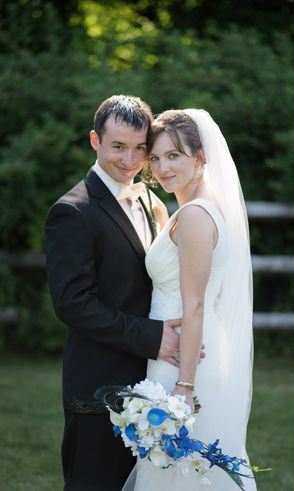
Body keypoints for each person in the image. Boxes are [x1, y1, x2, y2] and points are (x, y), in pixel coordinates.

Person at [44, 95, 183, 490]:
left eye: (140, 148)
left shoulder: (149, 200)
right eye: (118, 147)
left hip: (153, 382)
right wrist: (154, 337)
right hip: (98, 384)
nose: (130, 160)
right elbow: (73, 304)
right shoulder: (72, 212)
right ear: (95, 140)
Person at [126, 109, 255, 489]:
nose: (163, 167)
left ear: (200, 158)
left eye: (174, 156)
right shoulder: (194, 210)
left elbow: (195, 304)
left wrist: (184, 387)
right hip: (182, 347)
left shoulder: (197, 216)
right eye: (156, 158)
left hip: (185, 358)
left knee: (181, 471)